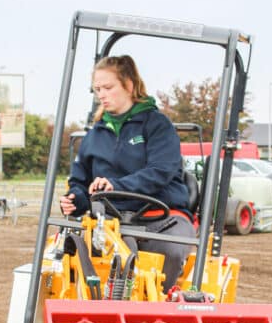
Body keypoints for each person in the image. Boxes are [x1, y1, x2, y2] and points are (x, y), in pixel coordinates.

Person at [59, 54, 195, 290]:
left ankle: (161, 306)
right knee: (68, 253)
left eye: (108, 87)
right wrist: (75, 200)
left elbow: (160, 171)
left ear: (129, 85)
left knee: (170, 250)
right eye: (97, 89)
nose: (101, 95)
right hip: (110, 222)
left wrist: (115, 185)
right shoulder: (94, 135)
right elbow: (80, 182)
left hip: (162, 219)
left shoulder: (157, 126)